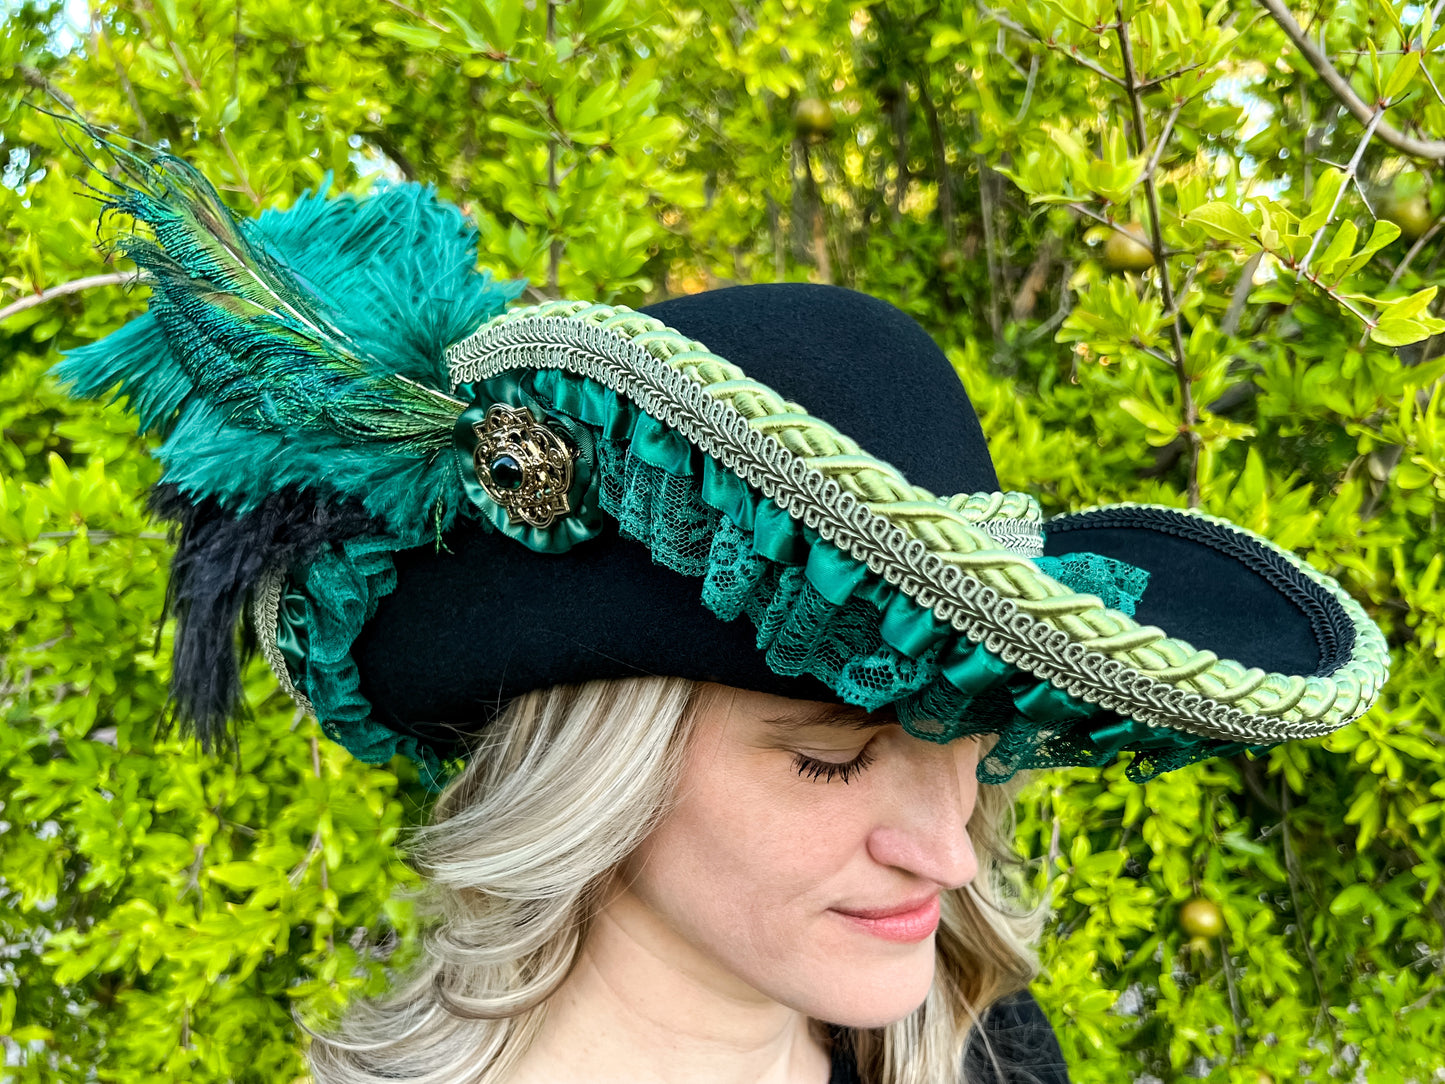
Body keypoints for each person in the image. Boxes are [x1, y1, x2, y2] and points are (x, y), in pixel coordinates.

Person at [58, 132, 1389, 1083]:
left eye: (973, 745)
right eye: (829, 754)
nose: (952, 856)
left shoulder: (972, 1045)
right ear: (594, 767)